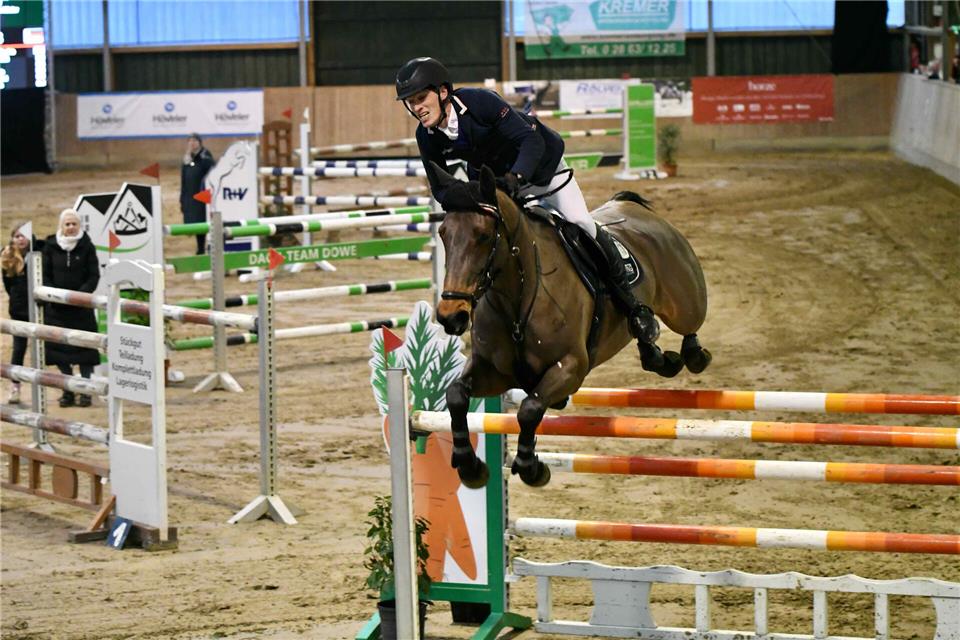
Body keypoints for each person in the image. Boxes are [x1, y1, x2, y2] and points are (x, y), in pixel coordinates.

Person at [395, 56, 658, 346]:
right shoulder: (426, 135)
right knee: (491, 240)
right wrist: (475, 194)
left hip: (542, 167)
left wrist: (517, 178)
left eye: (421, 97)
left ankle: (633, 305)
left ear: (443, 92)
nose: (416, 107)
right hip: (496, 181)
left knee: (580, 221)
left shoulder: (480, 102)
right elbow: (440, 189)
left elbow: (530, 142)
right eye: (409, 101)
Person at [42, 209, 100, 407]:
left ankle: (85, 391)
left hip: (81, 308)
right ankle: (67, 390)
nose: (71, 227)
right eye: (67, 224)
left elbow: (94, 275)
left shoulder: (87, 246)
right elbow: (45, 274)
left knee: (85, 353)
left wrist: (80, 296)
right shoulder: (49, 246)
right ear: (61, 226)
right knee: (59, 353)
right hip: (57, 310)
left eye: (74, 223)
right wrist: (55, 296)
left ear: (79, 226)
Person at [1, 223, 43, 404]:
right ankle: (15, 387)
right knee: (19, 348)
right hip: (19, 311)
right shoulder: (8, 257)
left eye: (23, 235)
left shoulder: (39, 252)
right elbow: (8, 286)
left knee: (45, 348)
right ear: (12, 239)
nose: (21, 239)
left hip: (40, 308)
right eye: (17, 236)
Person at [180, 132, 216, 255]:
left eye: (194, 141)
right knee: (195, 223)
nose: (192, 143)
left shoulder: (206, 158)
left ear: (199, 143)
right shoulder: (187, 159)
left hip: (203, 197)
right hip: (190, 196)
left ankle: (207, 247)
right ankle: (200, 247)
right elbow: (183, 181)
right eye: (189, 141)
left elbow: (212, 177)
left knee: (204, 222)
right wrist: (182, 199)